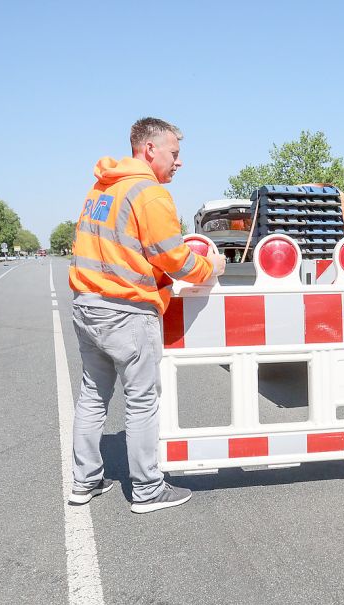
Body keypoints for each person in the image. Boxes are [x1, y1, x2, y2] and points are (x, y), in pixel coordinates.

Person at [67, 117, 226, 512]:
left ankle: (84, 481)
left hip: (87, 305)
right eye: (175, 153)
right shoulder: (149, 193)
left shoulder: (102, 188)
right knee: (141, 401)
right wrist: (212, 269)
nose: (179, 162)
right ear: (150, 149)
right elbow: (174, 257)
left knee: (92, 396)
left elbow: (118, 250)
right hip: (126, 311)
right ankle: (147, 490)